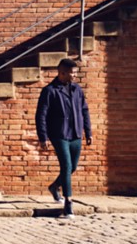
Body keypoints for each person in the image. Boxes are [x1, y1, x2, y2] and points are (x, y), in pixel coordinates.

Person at [35, 57, 93, 218]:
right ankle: (68, 202)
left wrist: (88, 132)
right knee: (66, 166)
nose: (75, 76)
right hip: (59, 134)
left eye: (75, 73)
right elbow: (41, 115)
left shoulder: (77, 89)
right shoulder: (49, 90)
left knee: (72, 167)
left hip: (75, 133)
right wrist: (43, 137)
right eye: (72, 73)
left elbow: (84, 110)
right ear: (62, 73)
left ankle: (54, 187)